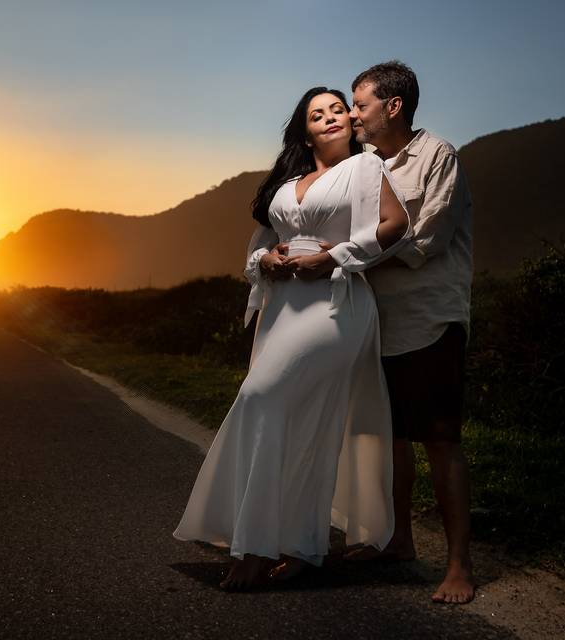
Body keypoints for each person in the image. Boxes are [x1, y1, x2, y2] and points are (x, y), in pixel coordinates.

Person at [172, 86, 412, 591]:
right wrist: (266, 261)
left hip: (335, 305)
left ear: (350, 121)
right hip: (282, 308)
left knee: (260, 397)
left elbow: (397, 225)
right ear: (303, 130)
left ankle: (256, 548)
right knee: (303, 423)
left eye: (336, 110)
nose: (328, 118)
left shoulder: (367, 169)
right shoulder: (288, 183)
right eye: (315, 114)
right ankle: (304, 547)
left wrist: (335, 256)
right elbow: (257, 247)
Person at [261, 62, 475, 603]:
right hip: (371, 317)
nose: (352, 114)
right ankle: (399, 540)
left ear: (393, 106)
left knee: (441, 438)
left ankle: (458, 566)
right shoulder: (365, 165)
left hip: (427, 318)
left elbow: (425, 238)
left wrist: (334, 257)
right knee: (390, 435)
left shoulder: (436, 157)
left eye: (359, 104)